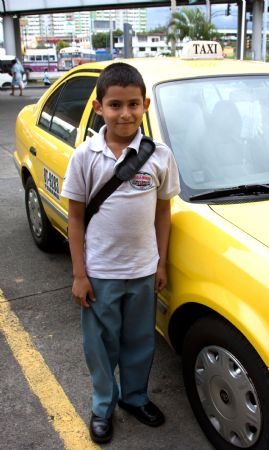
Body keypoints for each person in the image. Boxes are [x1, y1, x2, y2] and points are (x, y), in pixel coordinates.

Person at [61, 62, 180, 444]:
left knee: (140, 340)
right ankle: (102, 406)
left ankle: (134, 397)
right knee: (100, 346)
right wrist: (80, 274)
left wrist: (160, 262)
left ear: (145, 104)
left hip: (143, 271)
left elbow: (164, 212)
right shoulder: (85, 156)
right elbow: (76, 219)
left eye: (132, 104)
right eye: (115, 105)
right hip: (99, 274)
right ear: (99, 108)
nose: (124, 113)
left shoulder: (159, 155)